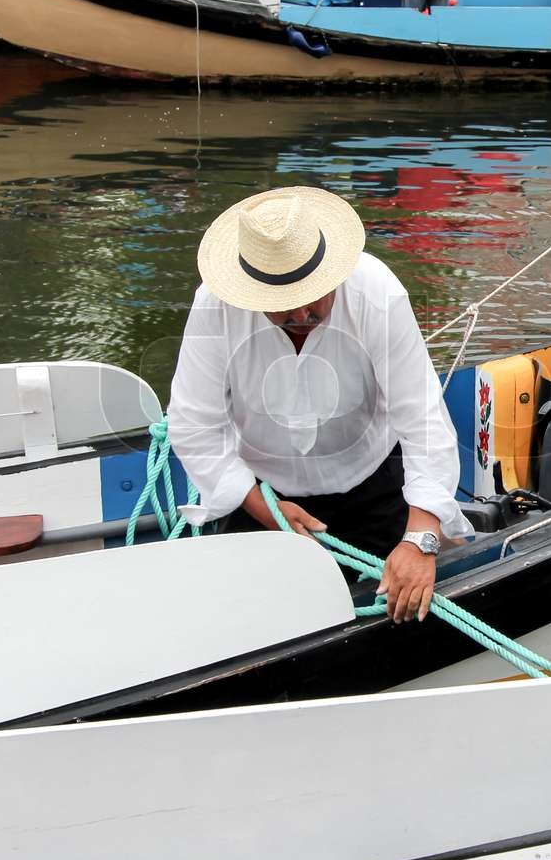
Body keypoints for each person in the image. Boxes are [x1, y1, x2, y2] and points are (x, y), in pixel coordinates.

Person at [167, 186, 473, 623]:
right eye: (281, 306)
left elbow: (422, 419)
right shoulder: (214, 306)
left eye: (312, 296)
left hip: (373, 485)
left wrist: (420, 538)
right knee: (248, 624)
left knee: (405, 612)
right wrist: (264, 509)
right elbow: (194, 425)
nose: (301, 315)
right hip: (264, 496)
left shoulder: (376, 291)